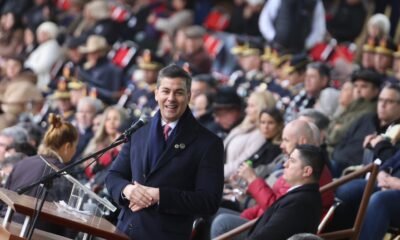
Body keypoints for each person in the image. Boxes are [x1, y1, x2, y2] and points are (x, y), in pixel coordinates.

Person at [105, 64, 224, 240]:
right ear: (156, 93)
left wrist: (159, 195)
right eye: (166, 91)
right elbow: (114, 176)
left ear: (189, 96)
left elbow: (209, 200)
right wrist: (128, 190)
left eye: (179, 92)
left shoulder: (208, 143)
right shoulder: (138, 130)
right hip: (124, 231)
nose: (171, 98)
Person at [4, 114, 78, 237]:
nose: (75, 151)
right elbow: (67, 223)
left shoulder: (24, 162)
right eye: (75, 146)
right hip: (34, 235)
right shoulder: (62, 174)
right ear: (67, 146)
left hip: (5, 226)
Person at [246, 144, 324, 240]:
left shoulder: (299, 203)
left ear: (307, 171)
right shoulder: (302, 196)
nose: (285, 164)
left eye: (292, 161)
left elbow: (267, 236)